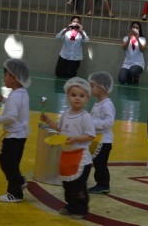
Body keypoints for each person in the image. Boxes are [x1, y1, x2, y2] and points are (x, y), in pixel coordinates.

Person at [40, 77, 96, 219]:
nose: (77, 98)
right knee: (67, 184)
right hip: (66, 156)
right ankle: (71, 205)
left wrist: (76, 138)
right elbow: (61, 129)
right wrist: (48, 121)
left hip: (81, 159)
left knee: (78, 186)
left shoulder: (86, 117)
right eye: (73, 95)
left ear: (87, 98)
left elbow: (91, 135)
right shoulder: (65, 114)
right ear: (68, 96)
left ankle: (81, 209)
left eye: (81, 96)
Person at [0, 59, 31, 203]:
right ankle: (19, 182)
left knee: (8, 163)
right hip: (19, 135)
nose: (3, 78)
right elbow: (16, 107)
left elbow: (11, 116)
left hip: (14, 136)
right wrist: (4, 100)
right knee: (9, 162)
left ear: (14, 78)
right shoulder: (21, 93)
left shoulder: (16, 95)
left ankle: (15, 192)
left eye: (5, 75)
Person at [88, 71, 116, 194]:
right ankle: (100, 183)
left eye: (92, 86)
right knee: (97, 162)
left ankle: (103, 184)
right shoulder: (98, 103)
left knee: (100, 164)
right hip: (97, 139)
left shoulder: (107, 104)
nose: (90, 89)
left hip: (104, 141)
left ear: (101, 88)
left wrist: (92, 124)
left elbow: (109, 121)